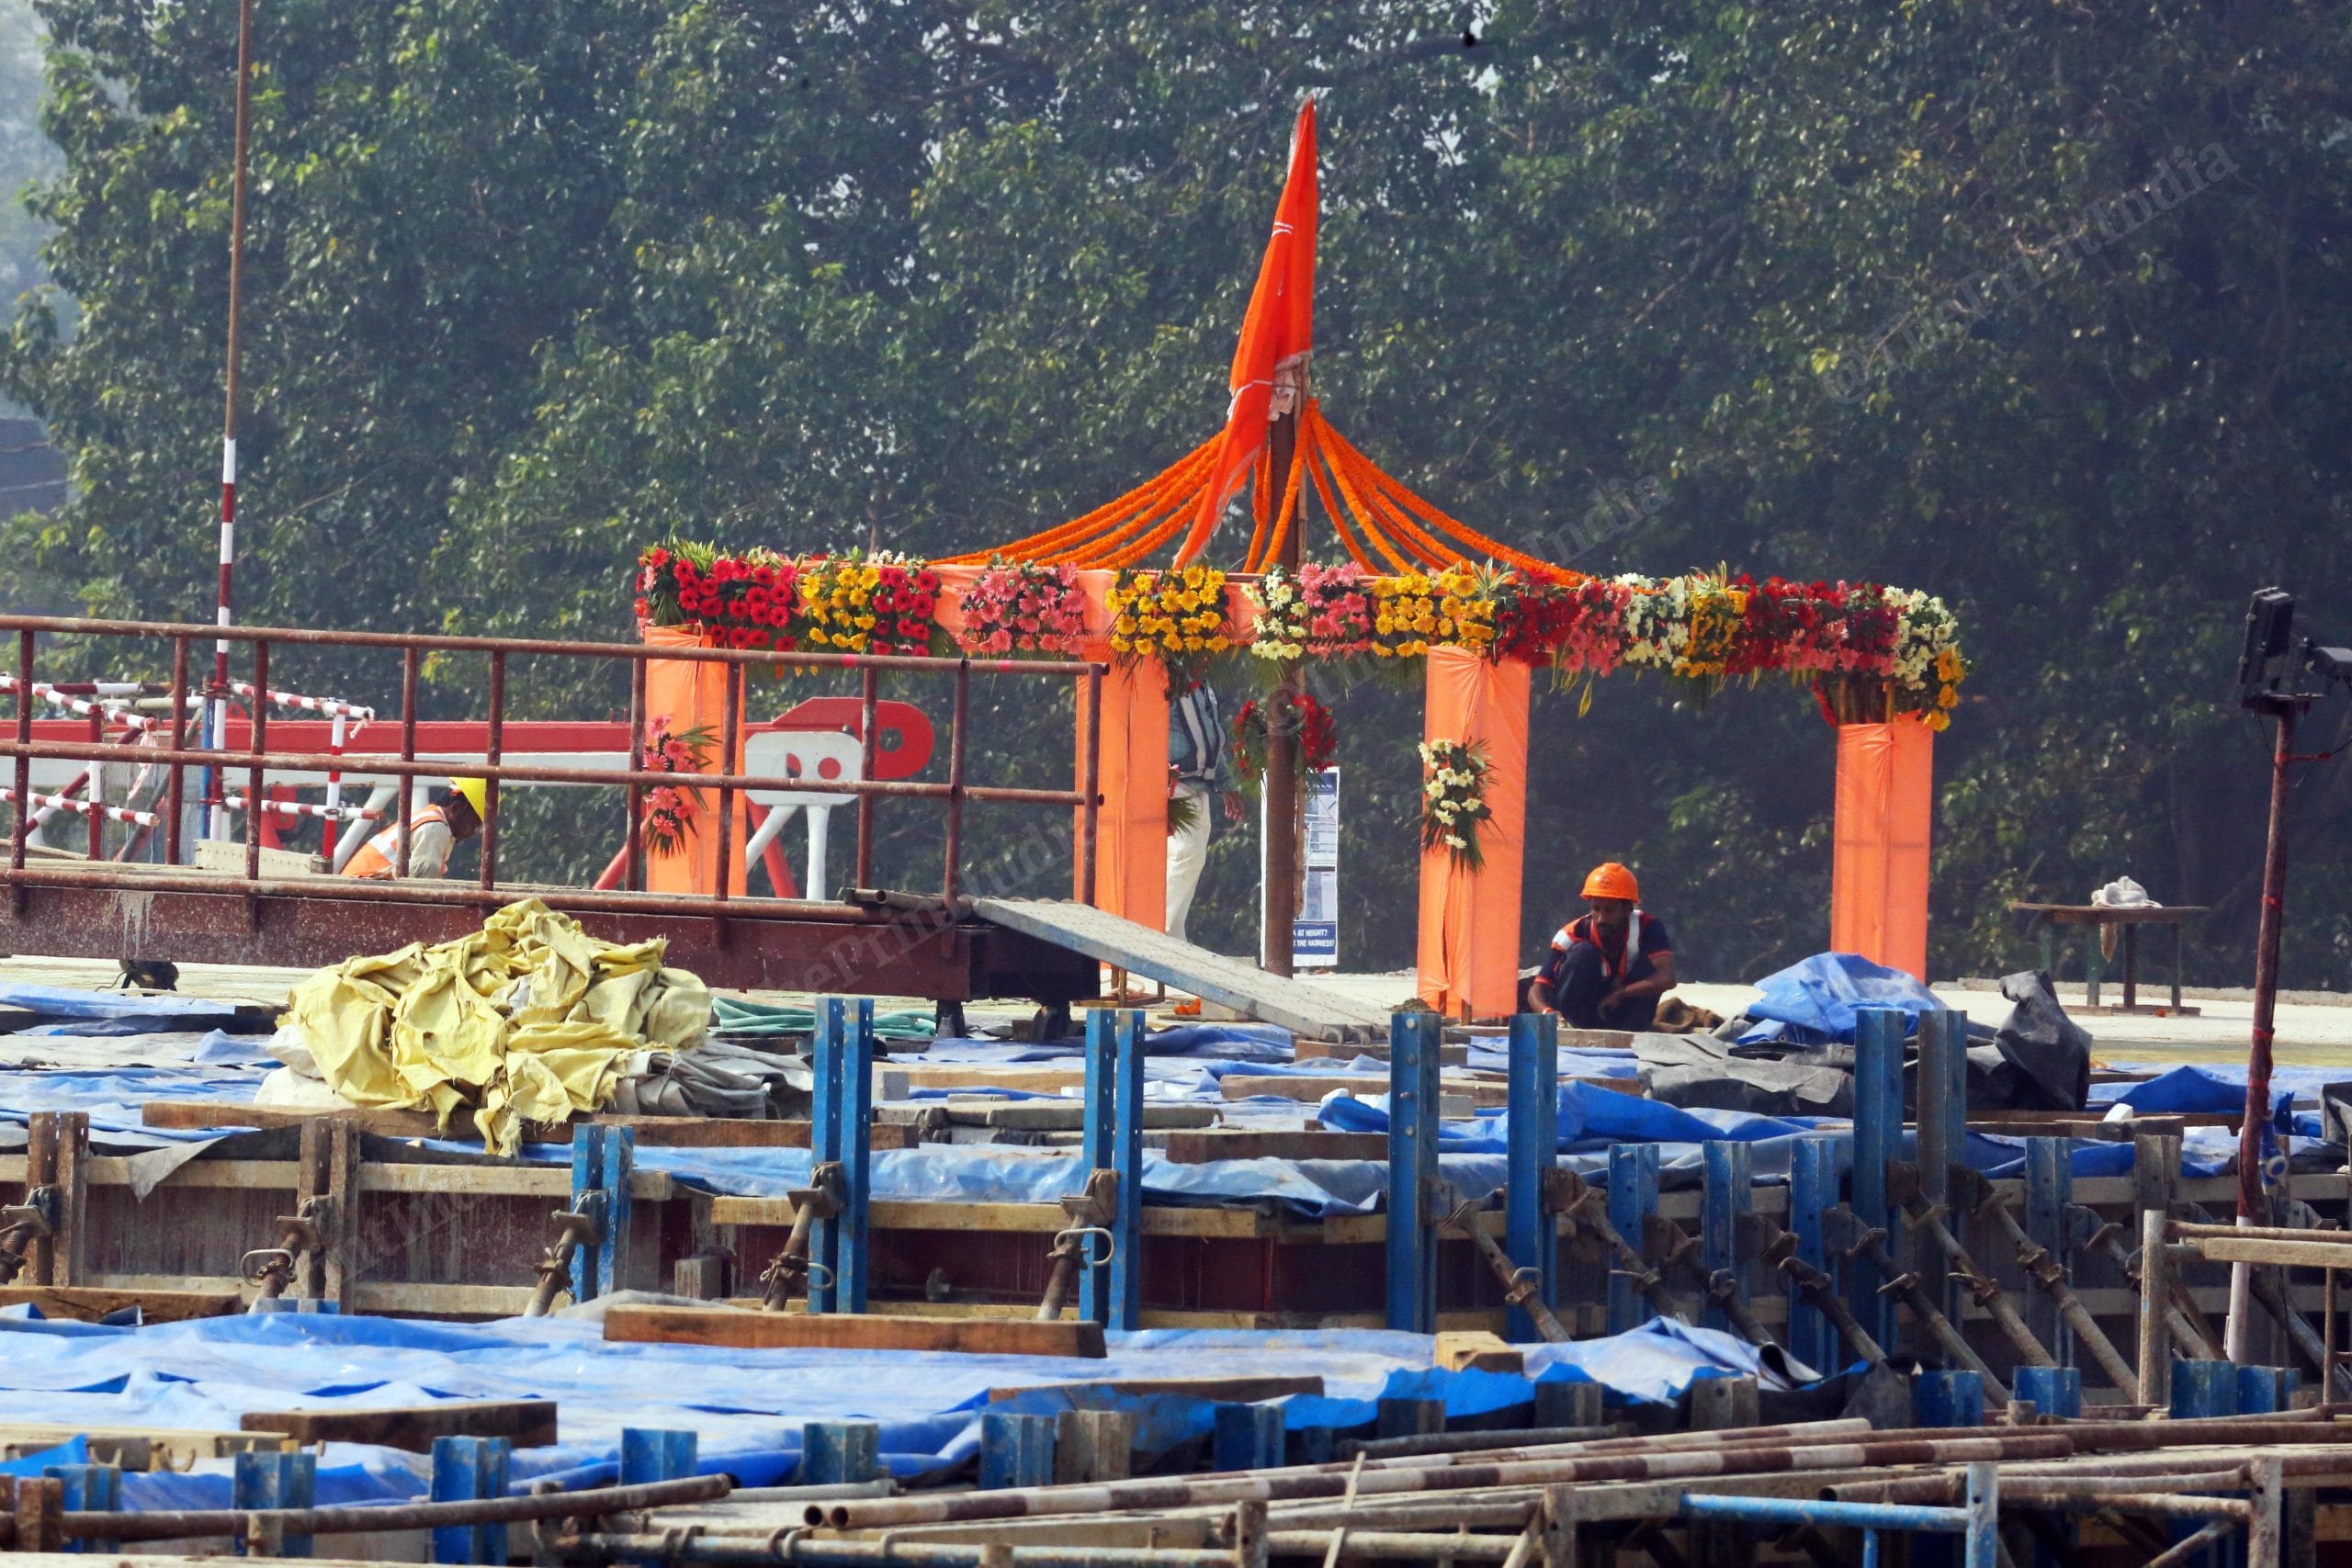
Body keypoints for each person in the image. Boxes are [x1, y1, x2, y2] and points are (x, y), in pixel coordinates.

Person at [1529, 862, 1678, 1031]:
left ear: (1628, 909)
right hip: (1579, 1015)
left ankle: (1632, 1037)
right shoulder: (1572, 934)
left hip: (1625, 1015)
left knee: (1649, 968)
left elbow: (1666, 978)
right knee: (1582, 954)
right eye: (1596, 909)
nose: (1601, 919)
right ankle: (1566, 1031)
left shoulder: (1648, 927)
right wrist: (1547, 1013)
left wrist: (1621, 993)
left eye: (1610, 910)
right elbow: (1538, 987)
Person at [1166, 677, 1245, 943]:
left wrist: (1226, 785)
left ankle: (1173, 937)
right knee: (1185, 853)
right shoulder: (1164, 682)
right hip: (1170, 782)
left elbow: (1212, 743)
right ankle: (1154, 931)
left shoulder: (1205, 689)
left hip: (1199, 784)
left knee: (1193, 857)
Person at [341, 777, 487, 880]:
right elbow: (427, 874)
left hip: (360, 883)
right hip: (363, 886)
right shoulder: (435, 827)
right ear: (455, 809)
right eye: (472, 824)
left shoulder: (429, 818)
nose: (472, 832)